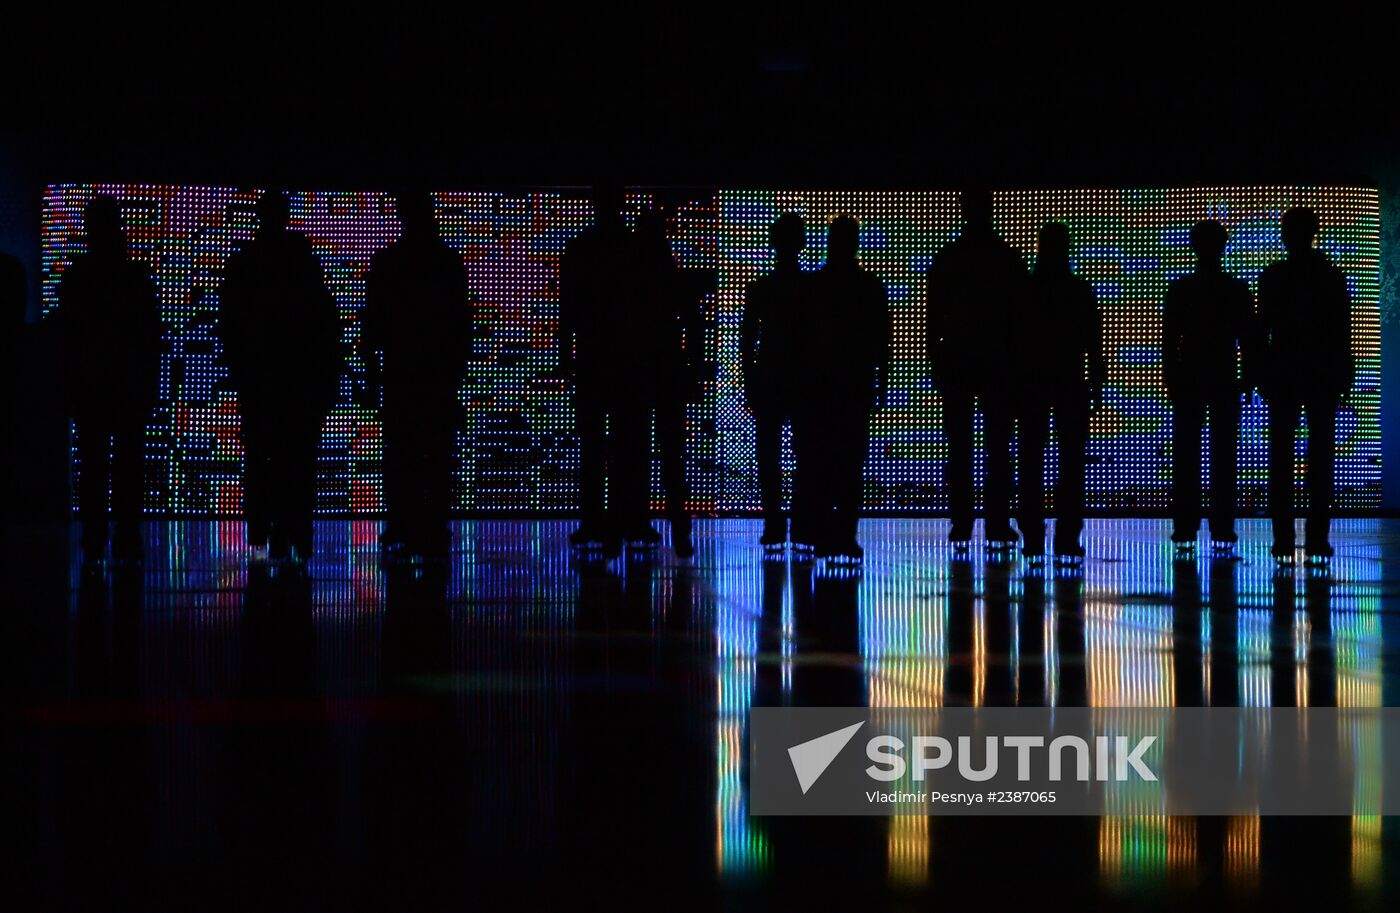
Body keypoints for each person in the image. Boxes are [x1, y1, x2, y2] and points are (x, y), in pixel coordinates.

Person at [221, 190, 341, 563]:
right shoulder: (303, 266)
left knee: (262, 456)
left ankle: (262, 530)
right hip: (298, 383)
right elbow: (325, 326)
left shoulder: (246, 264)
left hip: (261, 381)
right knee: (297, 459)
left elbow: (230, 324)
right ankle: (294, 532)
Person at [362, 191, 472, 563]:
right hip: (435, 376)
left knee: (403, 454)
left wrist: (373, 373)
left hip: (401, 376)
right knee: (435, 454)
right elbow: (461, 325)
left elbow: (372, 325)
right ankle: (432, 526)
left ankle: (403, 526)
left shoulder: (390, 262)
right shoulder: (446, 262)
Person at [56, 196, 162, 563]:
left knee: (95, 463)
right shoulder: (134, 277)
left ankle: (97, 535)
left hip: (92, 387)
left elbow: (66, 335)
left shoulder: (78, 278)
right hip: (126, 386)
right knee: (126, 463)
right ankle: (125, 533)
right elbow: (151, 336)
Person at [925, 189, 1026, 550]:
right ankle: (996, 522)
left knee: (961, 446)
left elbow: (933, 318)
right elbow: (1019, 319)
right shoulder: (1007, 258)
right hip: (997, 361)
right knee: (998, 445)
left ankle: (963, 522)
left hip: (958, 359)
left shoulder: (949, 258)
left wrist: (935, 359)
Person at [1257, 207, 1352, 561]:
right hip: (1319, 373)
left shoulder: (1275, 276)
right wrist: (1344, 370)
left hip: (1287, 373)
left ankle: (1284, 541)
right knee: (1319, 457)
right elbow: (1342, 330)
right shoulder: (1330, 276)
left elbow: (1261, 330)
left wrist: (1261, 372)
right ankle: (1315, 539)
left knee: (1281, 458)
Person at [795, 215, 890, 563]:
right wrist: (882, 379)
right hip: (853, 383)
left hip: (820, 385)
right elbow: (883, 337)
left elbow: (800, 339)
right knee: (850, 462)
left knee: (821, 460)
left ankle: (823, 534)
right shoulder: (867, 285)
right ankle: (844, 535)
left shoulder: (814, 286)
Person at [558, 181, 643, 558]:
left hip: (595, 357)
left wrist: (567, 353)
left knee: (594, 446)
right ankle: (624, 521)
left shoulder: (581, 248)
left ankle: (595, 522)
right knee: (627, 445)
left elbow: (569, 305)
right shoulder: (633, 247)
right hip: (626, 359)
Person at [1162, 219, 1257, 553]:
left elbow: (1170, 341)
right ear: (1224, 246)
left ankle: (1185, 527)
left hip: (1191, 375)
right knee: (1223, 455)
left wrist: (1170, 376)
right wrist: (1248, 377)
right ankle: (1222, 527)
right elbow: (1248, 339)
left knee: (1187, 454)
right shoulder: (1236, 289)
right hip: (1223, 376)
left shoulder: (1181, 290)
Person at [1012, 222, 1103, 561]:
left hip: (1032, 383)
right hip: (1069, 381)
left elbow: (1014, 340)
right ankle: (1066, 536)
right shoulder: (1078, 290)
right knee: (1070, 461)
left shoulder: (1026, 290)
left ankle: (1033, 535)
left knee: (1031, 459)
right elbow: (1093, 341)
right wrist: (1095, 382)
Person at [632, 207, 706, 558]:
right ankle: (679, 528)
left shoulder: (630, 280)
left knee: (635, 449)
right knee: (672, 453)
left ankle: (637, 523)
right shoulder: (672, 277)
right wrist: (692, 368)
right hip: (668, 372)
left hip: (639, 370)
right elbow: (693, 324)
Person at [740, 213, 806, 550]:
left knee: (770, 453)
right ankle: (801, 522)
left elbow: (748, 339)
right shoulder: (810, 289)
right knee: (804, 453)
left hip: (770, 376)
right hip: (801, 378)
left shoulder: (761, 288)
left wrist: (749, 378)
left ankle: (775, 523)